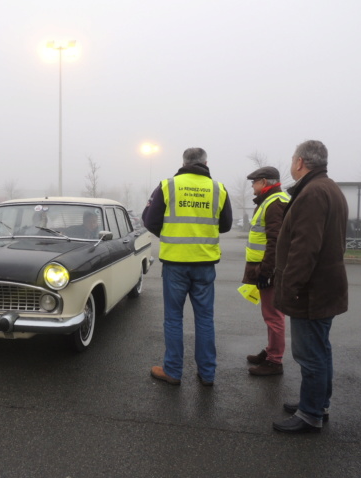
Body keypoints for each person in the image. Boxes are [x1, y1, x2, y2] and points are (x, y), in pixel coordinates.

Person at [272, 140, 348, 434]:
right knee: (320, 350)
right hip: (323, 288)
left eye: (292, 159)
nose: (291, 164)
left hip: (311, 292)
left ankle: (311, 414)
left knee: (310, 355)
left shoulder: (313, 193)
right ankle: (318, 402)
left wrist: (290, 288)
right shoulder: (328, 187)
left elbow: (305, 249)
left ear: (300, 162)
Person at [143, 147, 232, 387]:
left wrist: (171, 233)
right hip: (204, 263)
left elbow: (150, 221)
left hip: (175, 263)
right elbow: (225, 226)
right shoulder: (218, 188)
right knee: (205, 319)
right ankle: (207, 373)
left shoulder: (168, 185)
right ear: (205, 162)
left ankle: (172, 371)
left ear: (183, 162)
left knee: (173, 318)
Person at [243, 166, 289, 376]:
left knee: (273, 315)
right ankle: (271, 351)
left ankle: (274, 361)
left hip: (267, 268)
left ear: (263, 182)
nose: (252, 186)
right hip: (264, 266)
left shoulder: (275, 202)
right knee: (269, 313)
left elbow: (276, 240)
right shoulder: (272, 200)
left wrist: (266, 271)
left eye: (254, 182)